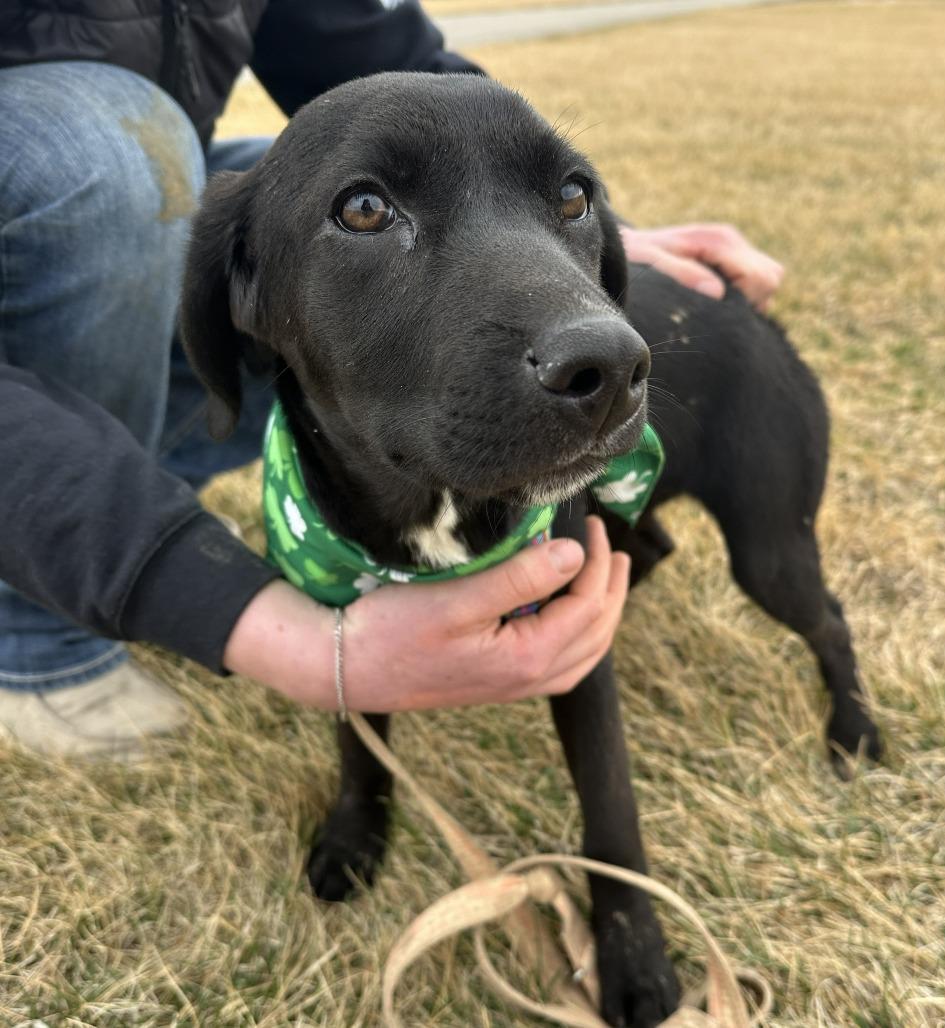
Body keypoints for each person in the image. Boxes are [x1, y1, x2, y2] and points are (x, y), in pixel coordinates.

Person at [0, 0, 784, 760]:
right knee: (111, 161)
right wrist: (250, 619)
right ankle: (43, 626)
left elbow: (410, 85)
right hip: (73, 167)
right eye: (367, 211)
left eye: (574, 201)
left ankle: (111, 488)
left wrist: (586, 224)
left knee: (269, 186)